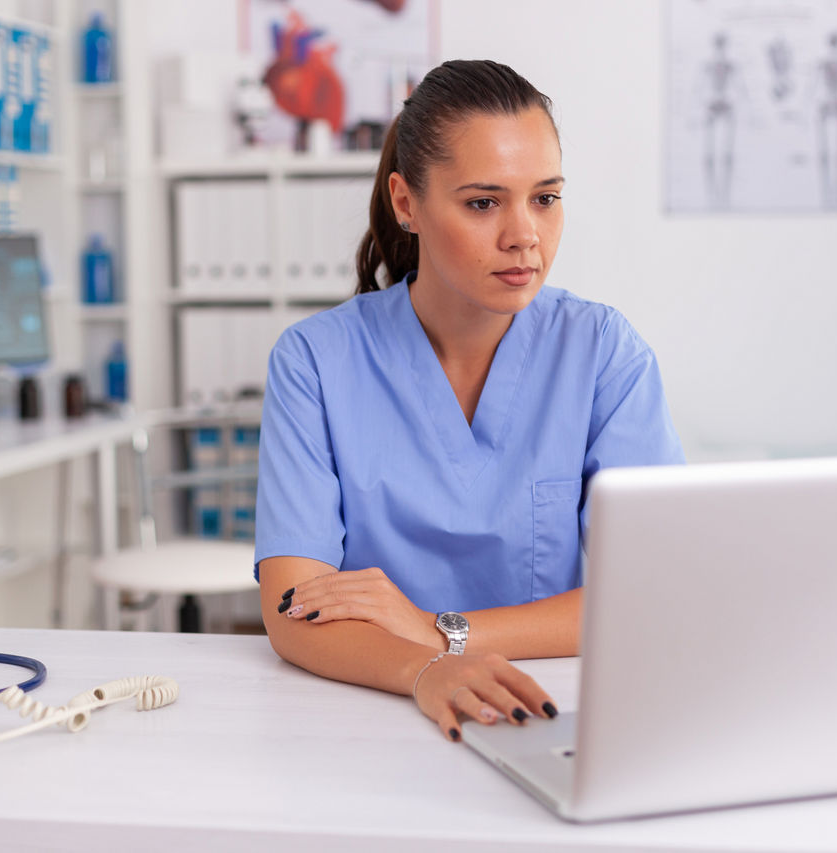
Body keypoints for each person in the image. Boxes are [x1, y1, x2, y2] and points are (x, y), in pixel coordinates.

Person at [255, 59, 684, 742]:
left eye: (545, 197)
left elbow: (650, 594)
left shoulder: (602, 351)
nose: (524, 235)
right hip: (366, 713)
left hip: (558, 710)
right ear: (406, 203)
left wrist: (440, 632)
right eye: (484, 203)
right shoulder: (315, 361)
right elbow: (290, 608)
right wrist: (425, 671)